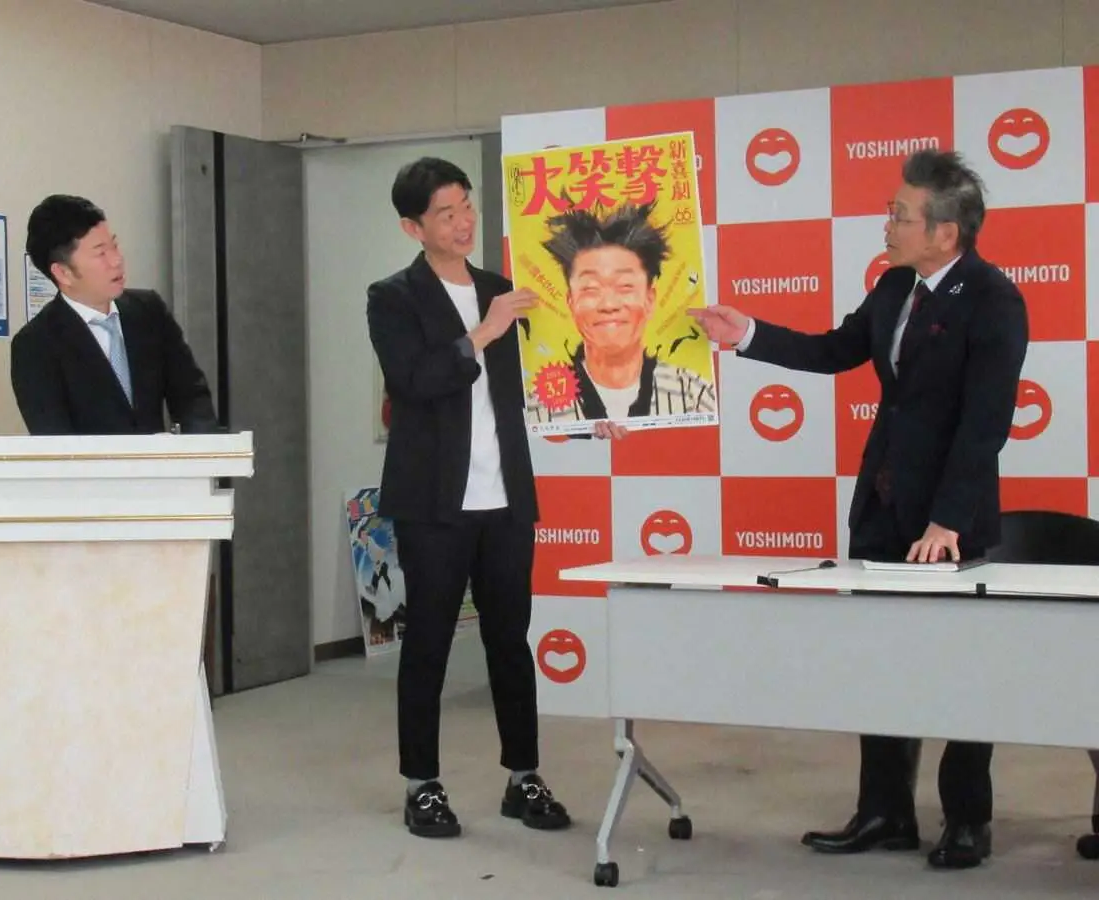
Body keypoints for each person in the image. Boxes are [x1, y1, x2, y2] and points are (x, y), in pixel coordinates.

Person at [689, 149, 1028, 870]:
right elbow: (836, 349)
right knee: (881, 663)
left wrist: (948, 520)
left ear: (945, 232)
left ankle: (968, 819)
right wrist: (745, 335)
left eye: (900, 215)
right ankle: (884, 812)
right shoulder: (895, 285)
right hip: (882, 503)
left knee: (960, 671)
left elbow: (985, 424)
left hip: (947, 522)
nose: (887, 224)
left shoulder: (994, 299)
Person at [366, 157, 624, 839]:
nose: (463, 222)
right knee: (428, 643)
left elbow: (542, 381)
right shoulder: (392, 297)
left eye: (467, 206)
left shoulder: (502, 289)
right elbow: (414, 381)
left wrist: (591, 414)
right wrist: (483, 330)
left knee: (511, 640)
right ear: (413, 227)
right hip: (433, 502)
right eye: (446, 213)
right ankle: (422, 784)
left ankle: (523, 776)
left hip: (505, 498)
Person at [11, 194, 218, 435]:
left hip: (163, 460)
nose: (117, 260)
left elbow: (191, 396)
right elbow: (55, 439)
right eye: (101, 253)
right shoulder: (35, 345)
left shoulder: (149, 311)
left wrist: (200, 449)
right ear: (63, 273)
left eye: (115, 246)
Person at [524, 200, 717, 425]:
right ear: (571, 301)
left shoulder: (696, 397)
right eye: (590, 288)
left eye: (625, 286)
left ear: (649, 299)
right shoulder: (539, 408)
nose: (609, 304)